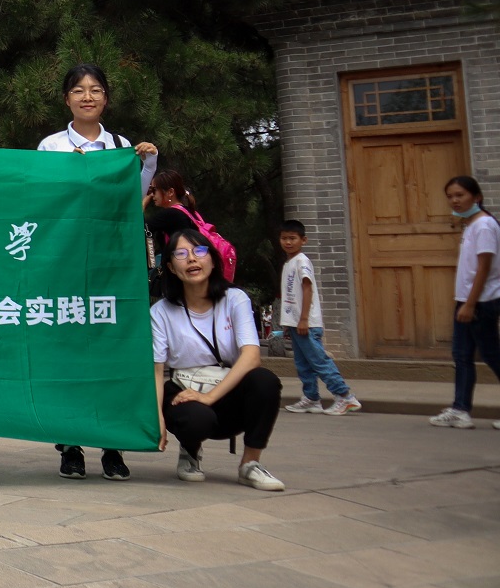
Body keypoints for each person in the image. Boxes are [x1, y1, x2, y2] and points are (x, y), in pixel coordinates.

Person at [38, 62, 158, 482]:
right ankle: (70, 444)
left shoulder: (121, 145)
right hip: (65, 263)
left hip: (112, 266)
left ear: (106, 98)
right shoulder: (51, 146)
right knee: (69, 353)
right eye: (78, 90)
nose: (87, 97)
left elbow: (130, 202)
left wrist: (148, 166)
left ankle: (112, 444)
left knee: (112, 353)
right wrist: (68, 175)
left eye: (95, 90)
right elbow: (41, 201)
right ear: (66, 99)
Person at [154, 227, 285, 491]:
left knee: (265, 381)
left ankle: (250, 464)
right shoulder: (161, 311)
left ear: (213, 260)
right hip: (184, 392)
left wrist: (209, 397)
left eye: (199, 251)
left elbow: (251, 356)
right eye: (181, 254)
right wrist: (158, 419)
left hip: (227, 393)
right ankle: (190, 451)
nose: (192, 258)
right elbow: (156, 371)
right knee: (196, 419)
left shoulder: (235, 299)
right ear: (170, 267)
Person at [432, 175, 500, 429]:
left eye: (460, 195)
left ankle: (460, 408)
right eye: (450, 196)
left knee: (492, 354)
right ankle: (460, 409)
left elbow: (484, 267)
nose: (455, 201)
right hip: (467, 301)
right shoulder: (471, 225)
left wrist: (470, 304)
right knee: (461, 356)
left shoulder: (484, 225)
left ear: (477, 197)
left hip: (480, 302)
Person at [279, 219, 361, 417]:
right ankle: (311, 398)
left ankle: (345, 396)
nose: (288, 242)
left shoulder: (302, 261)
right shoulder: (289, 263)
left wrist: (304, 319)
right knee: (303, 364)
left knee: (319, 361)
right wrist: (289, 322)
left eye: (292, 238)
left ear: (303, 240)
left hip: (306, 323)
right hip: (295, 323)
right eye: (284, 238)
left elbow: (307, 288)